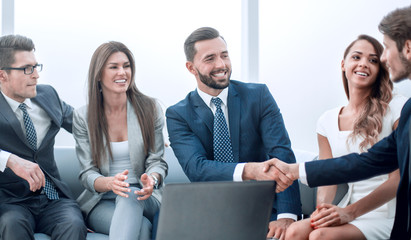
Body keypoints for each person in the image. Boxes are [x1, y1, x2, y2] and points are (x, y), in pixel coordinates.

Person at [267, 6, 411, 239]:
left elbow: (396, 176)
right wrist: (320, 212)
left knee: (319, 237)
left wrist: (349, 213)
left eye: (374, 59)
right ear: (343, 64)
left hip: (385, 210)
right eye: (356, 57)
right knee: (295, 232)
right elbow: (336, 173)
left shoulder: (399, 108)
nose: (365, 63)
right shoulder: (327, 120)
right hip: (348, 205)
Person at [166, 27, 301, 239]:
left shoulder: (259, 96)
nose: (221, 65)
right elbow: (197, 168)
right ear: (191, 68)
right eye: (210, 58)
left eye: (224, 55)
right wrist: (251, 170)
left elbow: (281, 154)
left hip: (265, 207)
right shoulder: (178, 114)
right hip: (211, 212)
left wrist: (287, 215)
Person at [73, 41, 167, 240]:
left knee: (131, 194)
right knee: (141, 229)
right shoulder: (83, 117)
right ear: (99, 74)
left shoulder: (150, 109)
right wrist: (109, 183)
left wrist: (152, 179)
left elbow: (157, 161)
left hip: (145, 195)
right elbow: (87, 172)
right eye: (114, 67)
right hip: (102, 200)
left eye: (126, 66)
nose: (122, 72)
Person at [0, 35, 87, 239]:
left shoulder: (48, 95)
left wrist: (140, 138)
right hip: (11, 202)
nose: (36, 75)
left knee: (74, 224)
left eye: (36, 66)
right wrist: (10, 160)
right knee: (11, 225)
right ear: (2, 75)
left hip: (53, 198)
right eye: (27, 69)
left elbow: (86, 126)